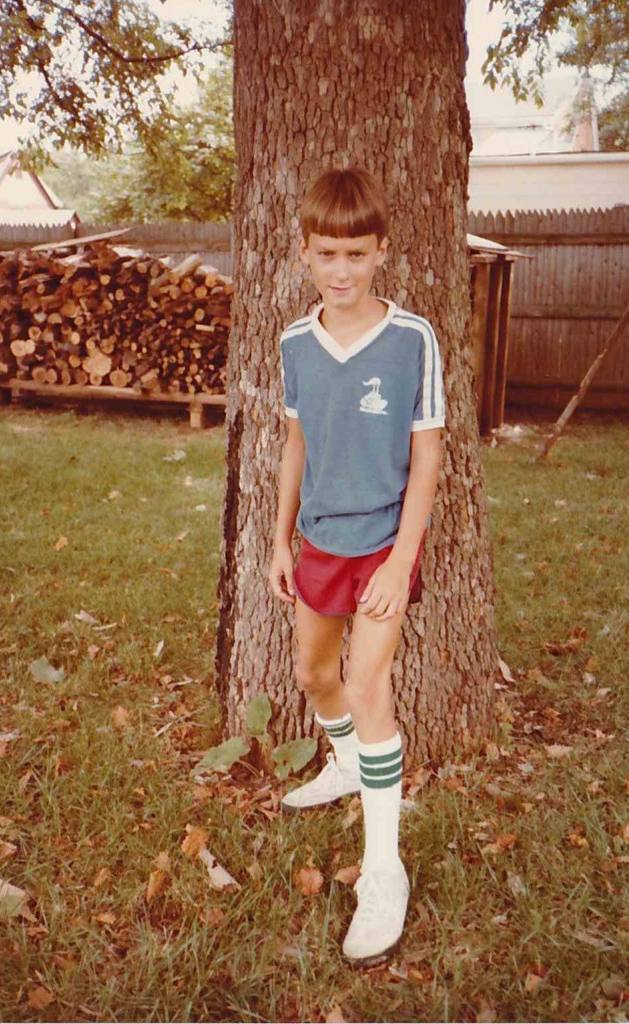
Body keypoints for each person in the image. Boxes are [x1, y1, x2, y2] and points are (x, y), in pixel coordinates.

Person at [268, 165, 445, 969]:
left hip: (382, 546)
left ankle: (384, 870)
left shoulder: (412, 340)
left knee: (370, 684)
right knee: (314, 676)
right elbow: (296, 442)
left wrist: (401, 558)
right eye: (327, 255)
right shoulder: (295, 343)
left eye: (357, 254)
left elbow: (430, 451)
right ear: (305, 254)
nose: (341, 271)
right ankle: (345, 762)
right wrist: (278, 538)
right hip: (319, 541)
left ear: (382, 252)